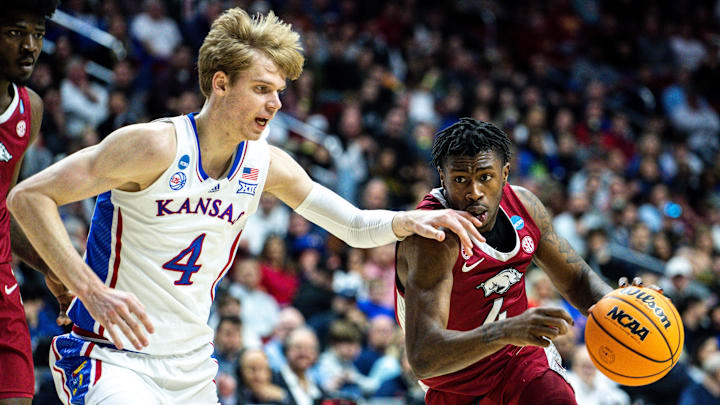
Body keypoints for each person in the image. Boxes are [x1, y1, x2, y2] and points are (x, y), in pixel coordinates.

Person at [7, 8, 483, 404]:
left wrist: (414, 219)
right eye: (261, 89)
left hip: (192, 367)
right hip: (111, 358)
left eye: (279, 92)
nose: (276, 103)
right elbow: (28, 196)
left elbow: (355, 225)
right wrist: (86, 287)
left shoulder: (266, 164)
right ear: (219, 84)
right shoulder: (153, 145)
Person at [395, 118, 615, 405]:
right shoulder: (431, 239)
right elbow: (424, 357)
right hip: (456, 382)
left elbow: (579, 281)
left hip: (520, 360)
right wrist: (506, 331)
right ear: (442, 176)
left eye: (485, 177)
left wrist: (623, 306)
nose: (474, 191)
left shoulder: (525, 206)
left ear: (505, 173)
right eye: (460, 179)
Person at [0, 1, 72, 403]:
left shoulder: (31, 109)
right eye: (14, 33)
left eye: (38, 35)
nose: (29, 46)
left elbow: (7, 208)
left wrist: (55, 267)